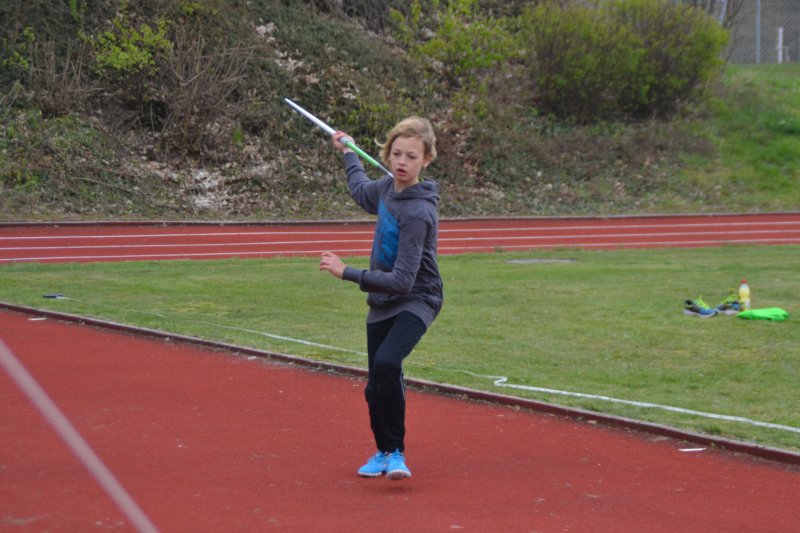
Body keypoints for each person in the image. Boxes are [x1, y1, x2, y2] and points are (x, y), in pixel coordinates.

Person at [319, 117, 443, 480]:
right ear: (388, 154)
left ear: (426, 160)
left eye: (412, 157)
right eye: (397, 153)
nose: (402, 162)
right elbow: (362, 192)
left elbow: (403, 281)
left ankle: (397, 453)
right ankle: (384, 451)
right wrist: (348, 153)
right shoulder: (388, 188)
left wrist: (348, 272)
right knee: (375, 387)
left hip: (417, 297)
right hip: (382, 300)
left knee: (388, 362)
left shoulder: (418, 211)